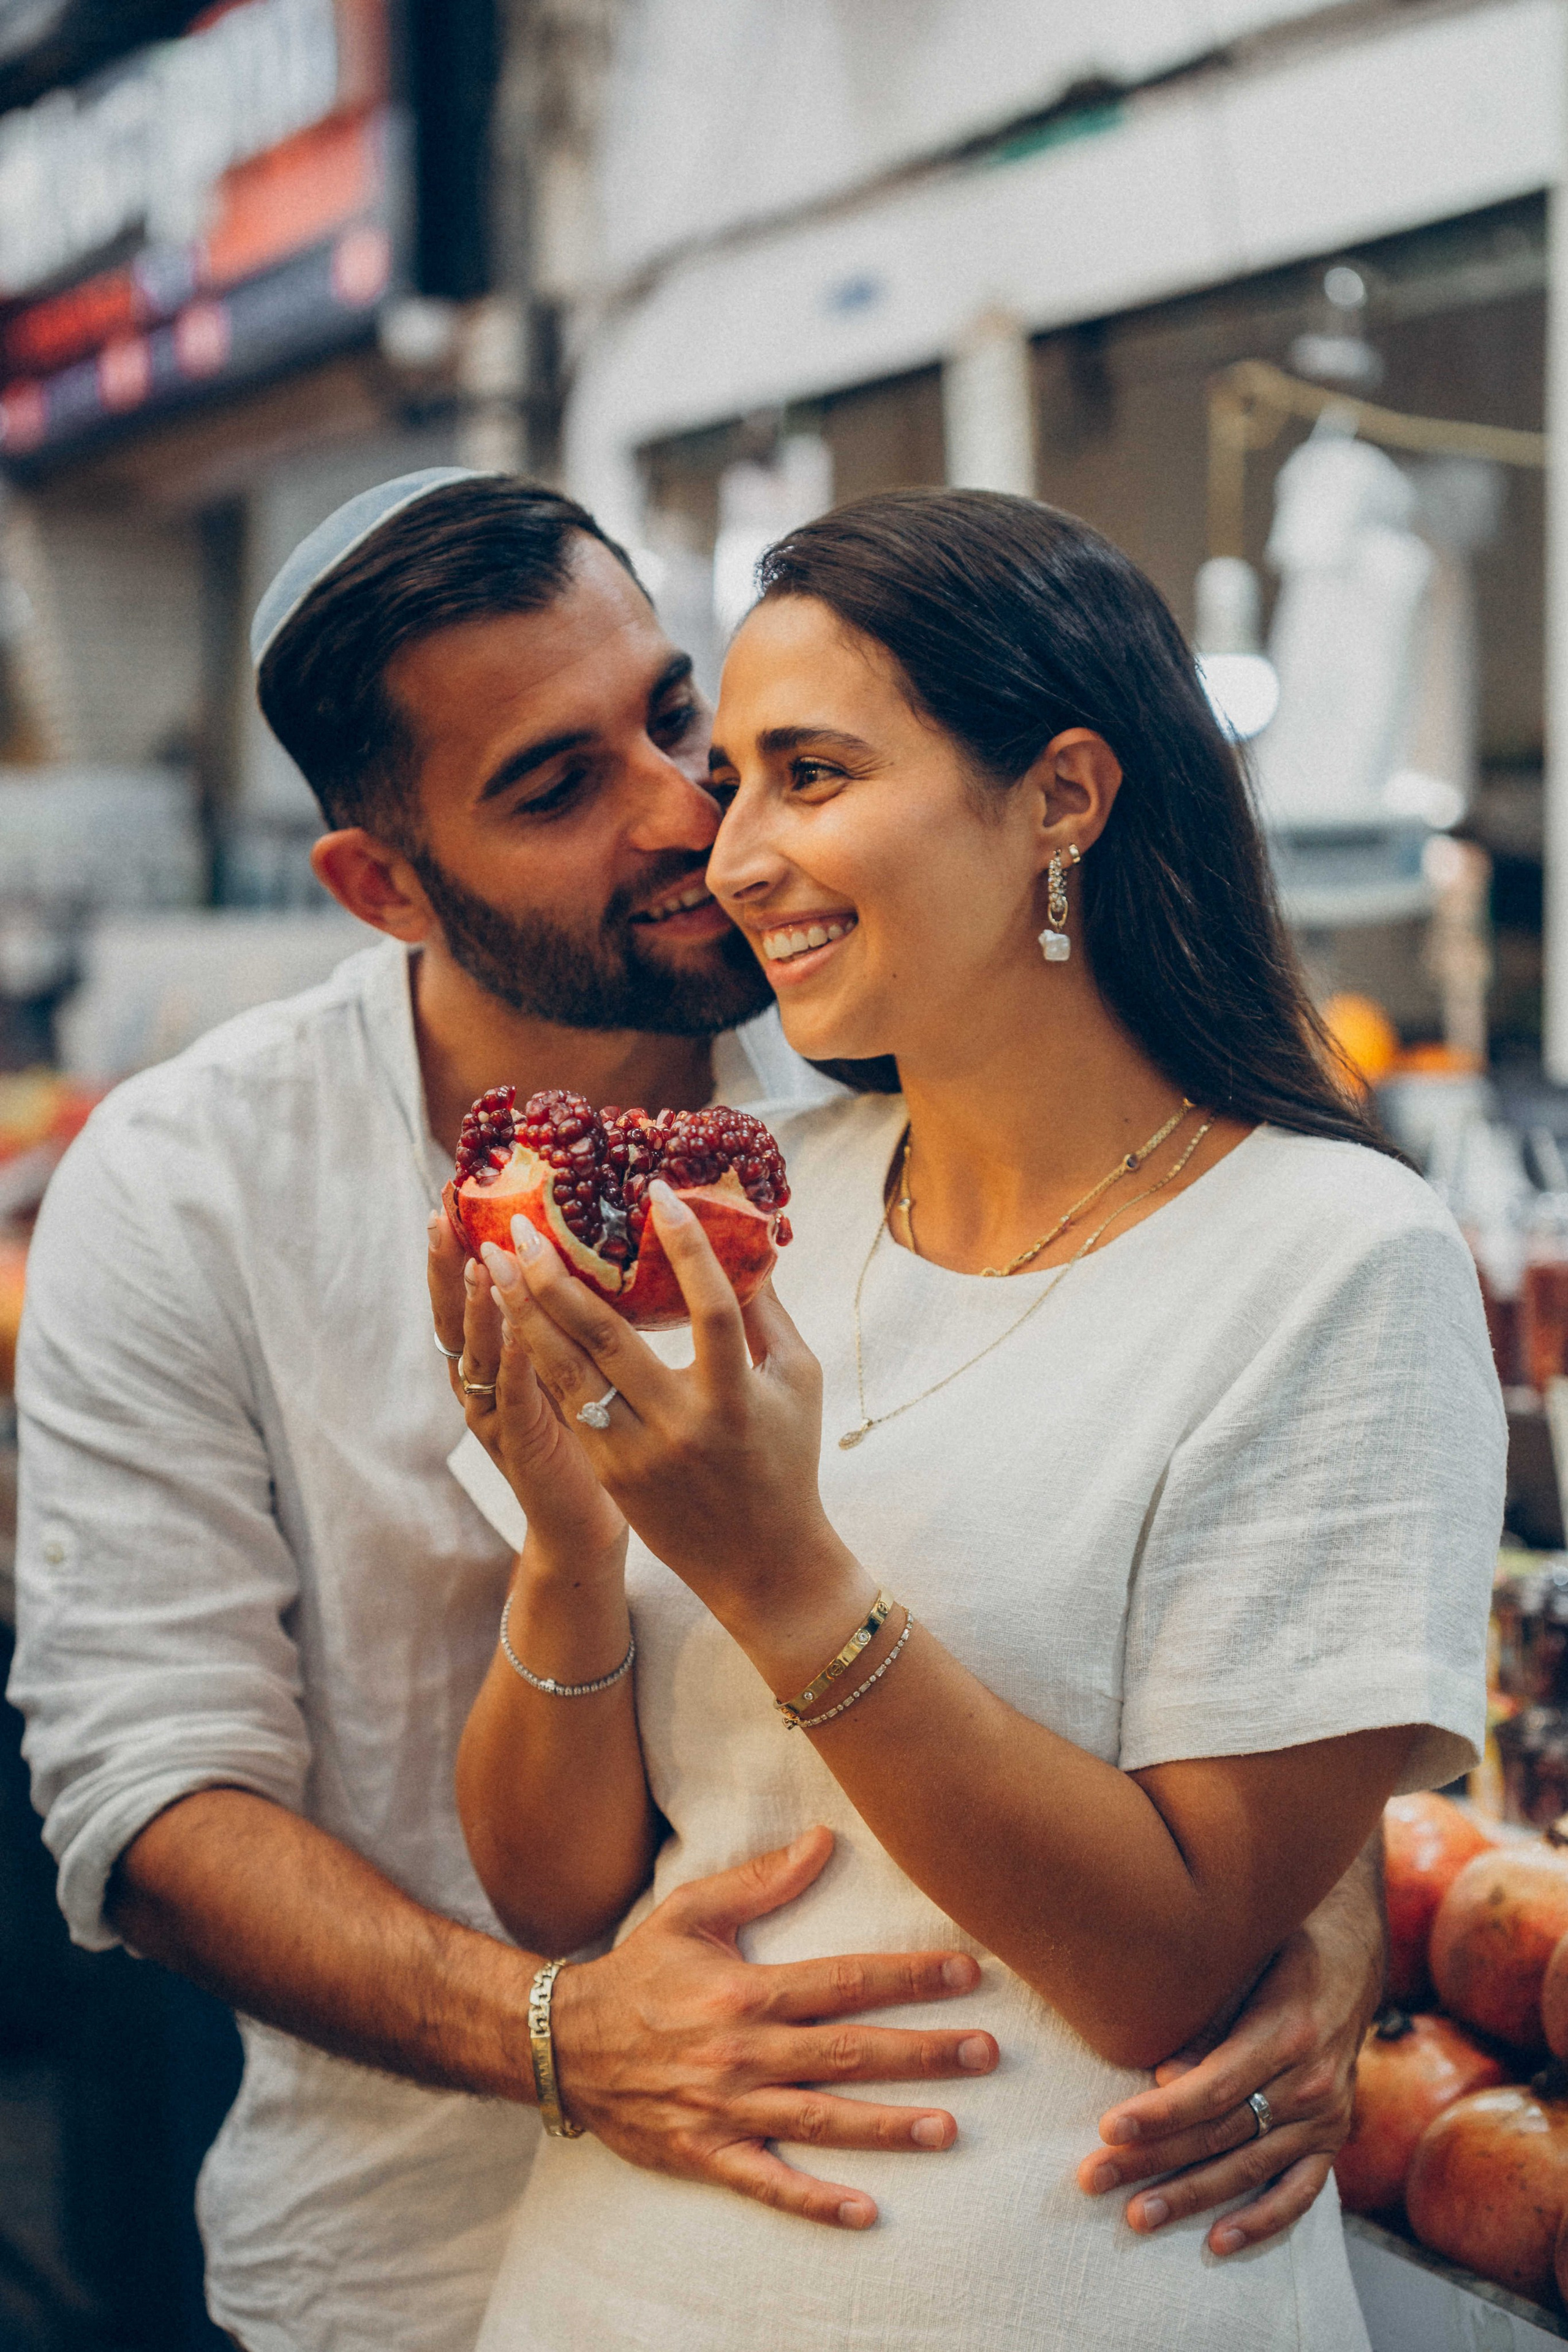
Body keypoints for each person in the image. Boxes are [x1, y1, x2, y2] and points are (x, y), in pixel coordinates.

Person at [12, 470, 1376, 2352]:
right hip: (409, 2256)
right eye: (556, 787)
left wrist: (1316, 1922)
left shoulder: (903, 1070)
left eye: (676, 718)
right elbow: (147, 1791)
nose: (693, 817)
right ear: (381, 884)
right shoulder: (184, 1186)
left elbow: (1179, 1565)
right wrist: (564, 2034)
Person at [441, 490, 1503, 2351]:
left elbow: (1164, 1969)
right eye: (733, 779)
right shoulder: (760, 1200)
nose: (735, 849)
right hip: (611, 2289)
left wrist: (783, 1580)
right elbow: (557, 1891)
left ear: (1066, 797)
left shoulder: (1336, 1262)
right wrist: (570, 1546)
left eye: (813, 773)